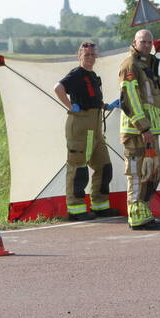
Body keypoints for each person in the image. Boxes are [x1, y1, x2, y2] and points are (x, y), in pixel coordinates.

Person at [54, 41, 121, 221]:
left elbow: (91, 97)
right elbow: (58, 88)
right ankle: (76, 210)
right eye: (86, 55)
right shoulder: (76, 74)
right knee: (79, 168)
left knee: (104, 166)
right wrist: (70, 106)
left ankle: (100, 206)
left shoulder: (92, 75)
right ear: (79, 57)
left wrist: (106, 106)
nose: (90, 58)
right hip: (81, 125)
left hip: (96, 126)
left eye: (92, 55)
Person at [118, 29, 160, 230]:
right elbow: (130, 99)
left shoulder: (148, 65)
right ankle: (137, 217)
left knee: (151, 173)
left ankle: (144, 213)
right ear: (135, 42)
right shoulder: (130, 65)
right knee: (137, 175)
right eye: (143, 41)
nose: (147, 45)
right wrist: (144, 127)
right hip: (136, 133)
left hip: (150, 133)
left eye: (149, 42)